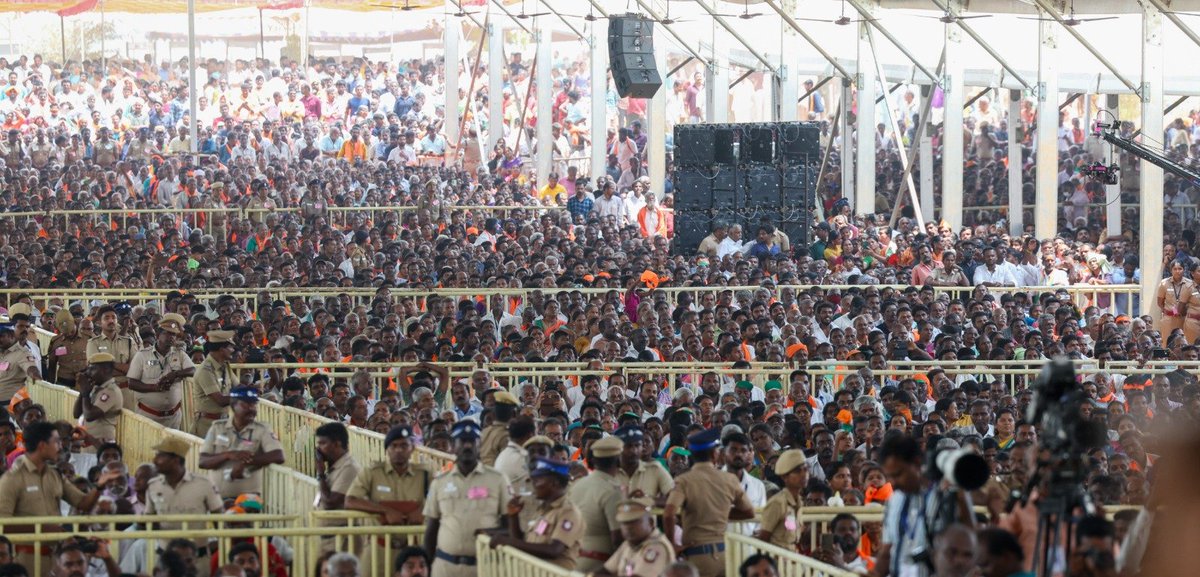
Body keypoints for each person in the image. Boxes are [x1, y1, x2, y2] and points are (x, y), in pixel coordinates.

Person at [0, 422, 122, 572]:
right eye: (56, 442)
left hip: (56, 560)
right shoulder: (12, 478)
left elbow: (83, 503)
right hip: (25, 558)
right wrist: (45, 529)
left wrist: (100, 486)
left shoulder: (54, 475)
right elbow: (3, 524)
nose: (61, 446)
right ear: (42, 445)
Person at [664, 428, 756, 577]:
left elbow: (669, 514)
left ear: (692, 455)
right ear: (715, 454)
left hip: (697, 556)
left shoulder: (684, 480)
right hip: (725, 555)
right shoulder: (729, 479)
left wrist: (671, 545)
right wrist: (720, 513)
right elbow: (749, 512)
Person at [424, 420, 510, 577]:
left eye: (472, 441)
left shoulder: (498, 480)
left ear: (480, 446)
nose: (468, 446)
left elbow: (510, 526)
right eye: (463, 441)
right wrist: (429, 565)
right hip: (445, 567)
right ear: (454, 446)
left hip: (485, 567)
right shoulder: (440, 482)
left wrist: (491, 532)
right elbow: (432, 529)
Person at [489, 457, 584, 571]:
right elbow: (524, 543)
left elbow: (554, 550)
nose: (533, 484)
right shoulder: (543, 509)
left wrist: (509, 542)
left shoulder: (568, 512)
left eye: (538, 480)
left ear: (554, 483)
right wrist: (513, 516)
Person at [198, 386, 286, 499]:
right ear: (233, 406)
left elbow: (278, 456)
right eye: (246, 405)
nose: (252, 409)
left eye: (254, 405)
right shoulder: (217, 428)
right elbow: (203, 461)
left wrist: (247, 462)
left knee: (240, 514)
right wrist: (228, 455)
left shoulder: (262, 429)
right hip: (216, 499)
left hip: (248, 500)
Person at [345, 425, 428, 525]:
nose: (398, 450)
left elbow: (440, 499)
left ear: (412, 448)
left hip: (416, 538)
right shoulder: (371, 472)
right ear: (386, 449)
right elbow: (350, 501)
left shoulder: (424, 473)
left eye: (404, 446)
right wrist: (385, 510)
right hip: (379, 538)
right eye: (394, 446)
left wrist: (423, 510)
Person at [127, 313, 195, 429]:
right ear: (158, 335)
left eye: (173, 334)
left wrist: (175, 374)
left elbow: (193, 370)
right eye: (167, 333)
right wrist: (154, 388)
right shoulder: (142, 355)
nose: (171, 337)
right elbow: (131, 383)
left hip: (173, 417)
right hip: (148, 417)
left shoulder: (179, 354)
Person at [567, 435, 624, 571]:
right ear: (618, 460)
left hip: (574, 560)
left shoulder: (578, 484)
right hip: (599, 565)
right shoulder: (612, 491)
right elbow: (617, 539)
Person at [594, 497, 674, 577]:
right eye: (624, 523)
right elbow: (606, 570)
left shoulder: (657, 546)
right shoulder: (628, 544)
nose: (628, 528)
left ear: (650, 523)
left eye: (634, 522)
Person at [315, 422, 363, 533]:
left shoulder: (349, 468)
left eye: (322, 443)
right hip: (330, 534)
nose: (318, 449)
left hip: (342, 537)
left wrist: (321, 473)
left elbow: (330, 503)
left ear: (337, 444)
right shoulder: (335, 467)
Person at [755, 449, 806, 550]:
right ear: (784, 477)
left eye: (806, 469)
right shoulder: (777, 503)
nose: (804, 474)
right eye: (797, 471)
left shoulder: (799, 501)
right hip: (778, 559)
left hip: (792, 557)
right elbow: (762, 540)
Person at [192, 330, 237, 438]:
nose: (233, 350)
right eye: (230, 347)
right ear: (222, 350)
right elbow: (220, 400)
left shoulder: (225, 366)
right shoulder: (205, 370)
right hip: (207, 426)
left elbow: (238, 386)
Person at [613, 425, 674, 503]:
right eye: (628, 446)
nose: (634, 450)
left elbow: (675, 497)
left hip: (647, 514)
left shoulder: (655, 469)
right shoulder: (610, 473)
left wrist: (647, 500)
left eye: (637, 445)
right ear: (618, 448)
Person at [72, 352, 123, 445]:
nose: (88, 373)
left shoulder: (111, 391)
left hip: (101, 446)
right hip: (89, 444)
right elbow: (76, 413)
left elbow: (89, 415)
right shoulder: (95, 387)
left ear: (105, 370)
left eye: (92, 369)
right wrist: (83, 391)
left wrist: (85, 393)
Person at [46, 308, 88, 388]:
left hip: (84, 383)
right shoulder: (56, 342)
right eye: (65, 332)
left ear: (75, 324)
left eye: (71, 331)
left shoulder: (88, 338)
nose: (69, 334)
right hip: (63, 383)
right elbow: (52, 366)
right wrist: (51, 386)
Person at [0, 323, 39, 408]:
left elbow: (30, 366)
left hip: (11, 404)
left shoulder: (22, 353)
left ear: (11, 336)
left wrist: (34, 373)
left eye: (1, 336)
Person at [480, 390, 518, 467]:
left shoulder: (484, 431)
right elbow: (507, 464)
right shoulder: (506, 436)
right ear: (514, 414)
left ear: (494, 414)